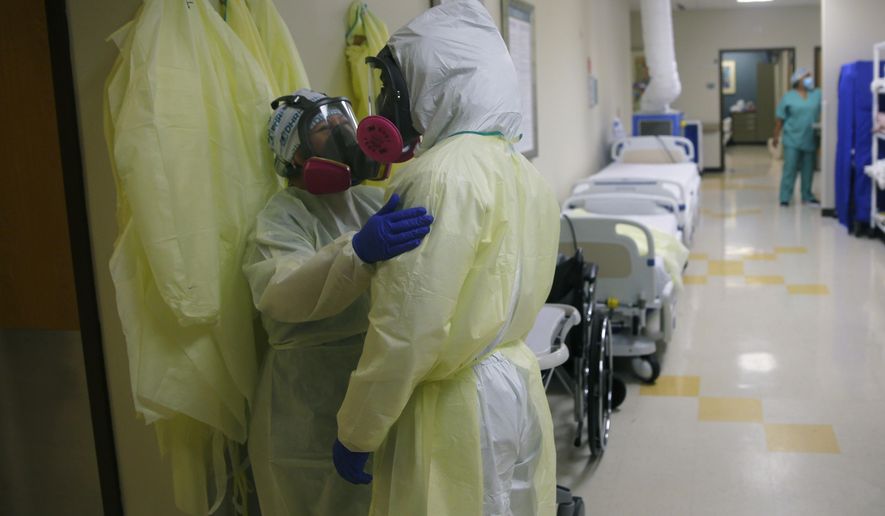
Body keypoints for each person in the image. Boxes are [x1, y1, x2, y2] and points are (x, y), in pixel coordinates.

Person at [332, 2, 561, 515]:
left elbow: (407, 327)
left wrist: (358, 428)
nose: (391, 103)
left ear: (436, 82)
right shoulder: (525, 174)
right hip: (516, 385)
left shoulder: (439, 176)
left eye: (398, 86)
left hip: (457, 409)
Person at [243, 89, 434, 516]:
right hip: (308, 404)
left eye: (343, 120)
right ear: (294, 153)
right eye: (322, 129)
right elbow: (280, 292)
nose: (344, 133)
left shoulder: (370, 202)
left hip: (370, 387)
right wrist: (356, 254)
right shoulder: (283, 216)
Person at [773, 67, 822, 206]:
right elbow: (779, 119)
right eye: (806, 76)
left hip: (810, 137)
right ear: (797, 81)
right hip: (792, 139)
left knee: (808, 170)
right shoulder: (788, 97)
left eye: (810, 76)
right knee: (790, 169)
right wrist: (776, 136)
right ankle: (785, 197)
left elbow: (829, 104)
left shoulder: (817, 94)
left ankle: (807, 195)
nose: (810, 79)